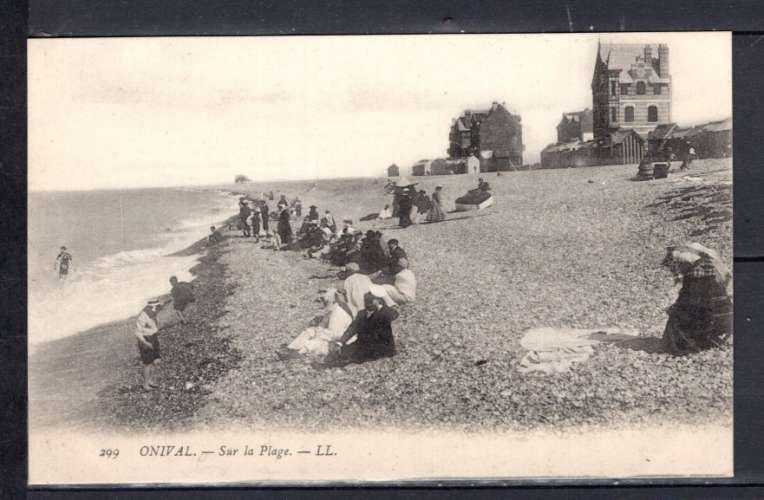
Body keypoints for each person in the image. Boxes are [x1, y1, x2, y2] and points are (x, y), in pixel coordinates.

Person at [661, 243, 732, 355]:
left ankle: (681, 347)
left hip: (704, 319)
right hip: (721, 316)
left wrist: (674, 307)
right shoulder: (712, 272)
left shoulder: (694, 277)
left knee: (676, 316)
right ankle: (702, 341)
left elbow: (690, 301)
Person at [322, 292, 399, 367]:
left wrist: (380, 306)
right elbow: (352, 329)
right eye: (366, 301)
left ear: (377, 301)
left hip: (381, 347)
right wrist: (341, 342)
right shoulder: (362, 314)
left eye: (370, 301)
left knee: (352, 356)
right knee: (342, 351)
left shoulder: (383, 313)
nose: (367, 304)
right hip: (363, 344)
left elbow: (394, 315)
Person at [278, 288, 353, 359]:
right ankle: (291, 348)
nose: (323, 304)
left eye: (325, 301)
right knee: (310, 331)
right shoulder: (334, 311)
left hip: (341, 345)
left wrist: (320, 333)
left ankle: (298, 353)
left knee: (316, 342)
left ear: (333, 301)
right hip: (333, 338)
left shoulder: (338, 314)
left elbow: (336, 336)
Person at [135, 299, 163, 391]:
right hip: (145, 340)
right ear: (152, 307)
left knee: (155, 360)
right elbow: (138, 333)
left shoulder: (152, 313)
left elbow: (155, 325)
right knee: (147, 363)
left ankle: (150, 381)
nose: (157, 309)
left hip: (153, 337)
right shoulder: (142, 317)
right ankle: (145, 384)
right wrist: (146, 343)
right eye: (156, 307)